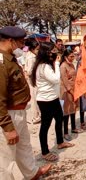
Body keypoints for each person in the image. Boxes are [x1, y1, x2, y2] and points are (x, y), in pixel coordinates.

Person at [0, 26, 52, 179]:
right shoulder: (1, 63)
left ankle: (32, 173)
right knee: (5, 158)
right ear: (11, 41)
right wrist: (8, 127)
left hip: (19, 111)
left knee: (23, 146)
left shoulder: (10, 58)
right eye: (21, 42)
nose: (23, 46)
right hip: (9, 114)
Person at [31, 42, 75, 162]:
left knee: (59, 118)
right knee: (45, 125)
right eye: (53, 51)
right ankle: (45, 151)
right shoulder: (43, 66)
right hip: (45, 100)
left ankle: (60, 142)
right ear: (46, 52)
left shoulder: (48, 65)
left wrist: (54, 63)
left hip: (53, 98)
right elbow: (56, 79)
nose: (55, 53)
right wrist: (57, 62)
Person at [60, 49, 83, 141]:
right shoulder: (63, 66)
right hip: (66, 91)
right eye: (71, 56)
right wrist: (71, 91)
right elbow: (65, 81)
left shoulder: (72, 65)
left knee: (73, 109)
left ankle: (73, 128)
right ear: (65, 56)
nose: (73, 58)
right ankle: (65, 132)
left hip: (74, 89)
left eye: (73, 56)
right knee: (66, 112)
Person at [24, 38, 41, 124]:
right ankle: (35, 117)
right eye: (37, 49)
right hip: (32, 80)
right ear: (32, 48)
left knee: (34, 98)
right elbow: (29, 71)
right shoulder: (32, 57)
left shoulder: (28, 54)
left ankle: (37, 115)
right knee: (34, 99)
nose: (38, 51)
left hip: (32, 80)